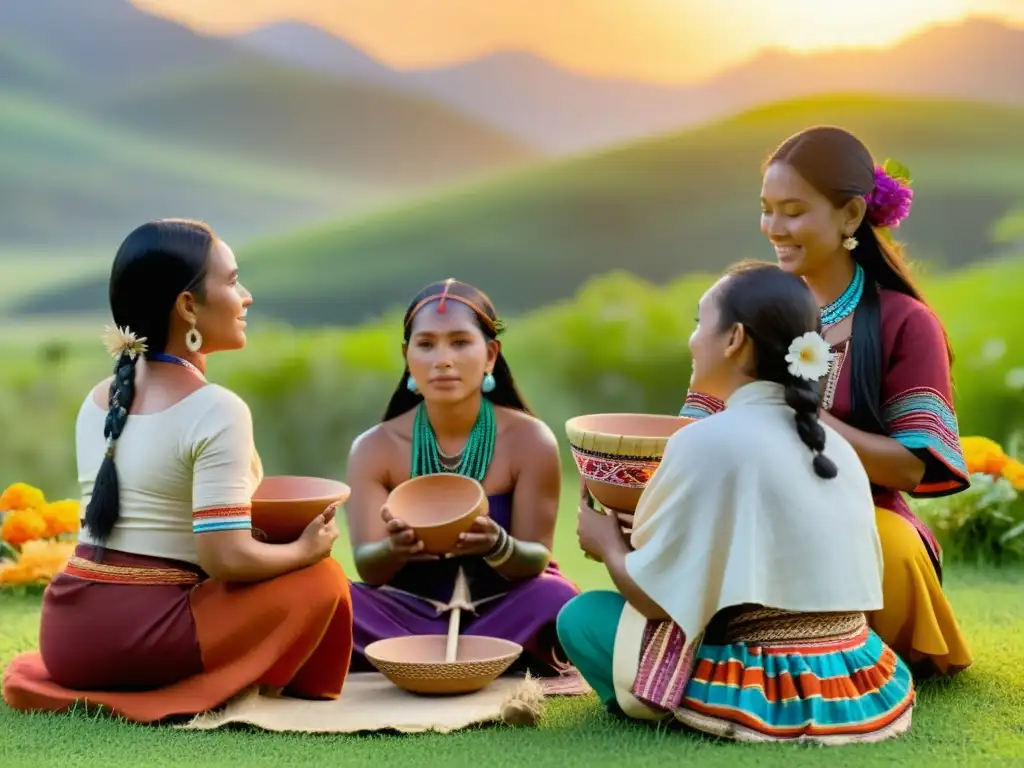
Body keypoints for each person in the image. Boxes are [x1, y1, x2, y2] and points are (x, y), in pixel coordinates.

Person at [2, 219, 353, 724]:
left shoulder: (99, 399)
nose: (246, 296)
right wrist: (302, 550)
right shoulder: (217, 409)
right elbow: (225, 556)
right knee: (322, 580)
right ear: (188, 306)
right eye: (232, 282)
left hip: (65, 637)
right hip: (140, 641)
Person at [557, 262, 916, 745]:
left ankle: (663, 705)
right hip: (856, 675)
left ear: (733, 340)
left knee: (581, 618)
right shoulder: (840, 448)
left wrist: (609, 545)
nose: (692, 339)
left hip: (769, 686)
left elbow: (656, 602)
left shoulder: (703, 441)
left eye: (699, 322)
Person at [677, 126, 972, 677]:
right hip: (750, 513)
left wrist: (798, 411)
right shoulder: (748, 303)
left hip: (864, 516)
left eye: (792, 211)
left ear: (852, 215)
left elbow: (910, 467)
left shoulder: (904, 323)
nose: (774, 229)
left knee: (895, 550)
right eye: (766, 210)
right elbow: (695, 428)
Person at [344, 278, 580, 675]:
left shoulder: (529, 440)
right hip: (404, 614)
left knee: (556, 598)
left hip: (504, 607)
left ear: (490, 355)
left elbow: (536, 557)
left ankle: (411, 662)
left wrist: (498, 545)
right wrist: (395, 550)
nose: (442, 359)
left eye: (459, 342)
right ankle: (483, 661)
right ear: (407, 356)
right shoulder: (373, 448)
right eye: (426, 345)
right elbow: (368, 567)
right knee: (335, 600)